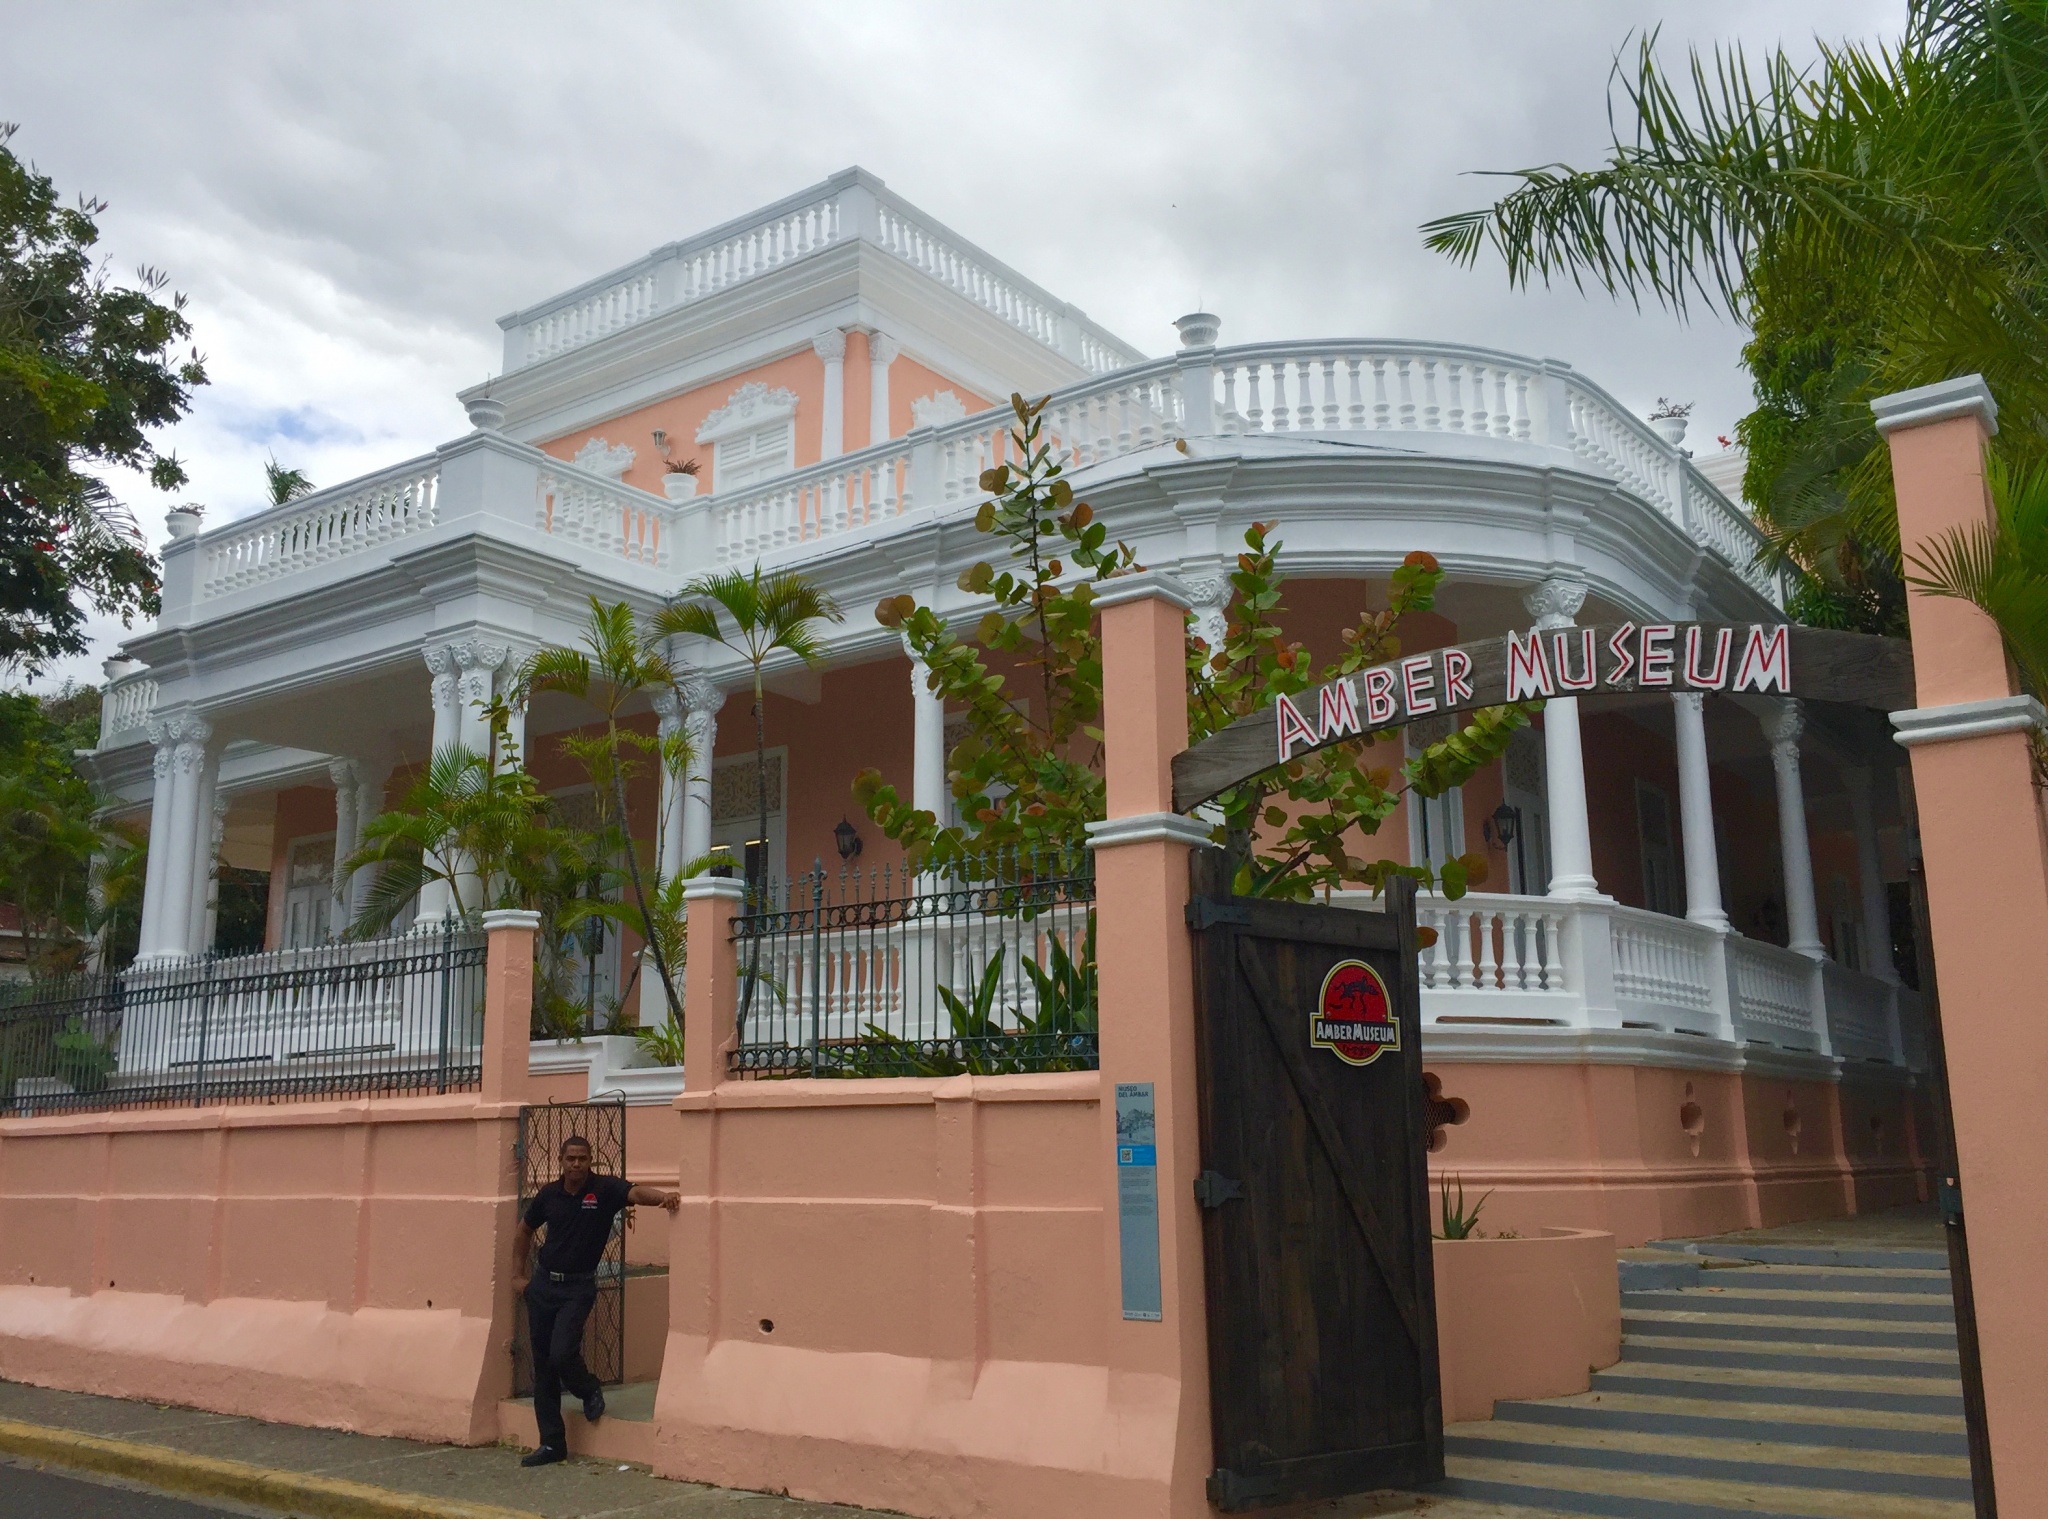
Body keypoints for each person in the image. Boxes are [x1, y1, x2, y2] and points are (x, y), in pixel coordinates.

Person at [512, 1134, 679, 1467]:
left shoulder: (603, 1190)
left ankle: (588, 1389)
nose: (576, 1164)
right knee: (543, 1366)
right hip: (543, 1285)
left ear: (590, 1161)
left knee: (562, 1352)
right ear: (561, 1161)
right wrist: (519, 1277)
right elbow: (523, 1231)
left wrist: (665, 1197)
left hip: (577, 1288)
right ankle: (551, 1444)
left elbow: (634, 1192)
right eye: (571, 1158)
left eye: (582, 1158)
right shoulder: (549, 1195)